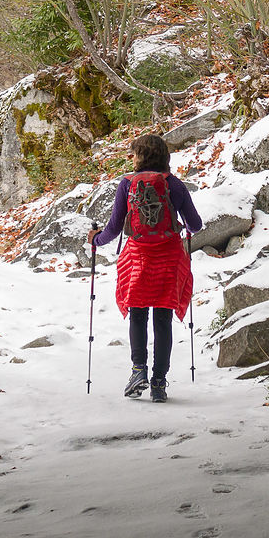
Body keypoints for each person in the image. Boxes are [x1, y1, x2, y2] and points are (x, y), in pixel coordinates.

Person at [88, 134, 204, 402]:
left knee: (138, 315)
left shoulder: (127, 184)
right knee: (162, 320)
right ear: (164, 156)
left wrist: (95, 239)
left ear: (140, 156)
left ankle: (138, 370)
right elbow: (195, 225)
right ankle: (159, 384)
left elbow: (114, 228)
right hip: (168, 258)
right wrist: (180, 223)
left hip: (137, 258)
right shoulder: (174, 185)